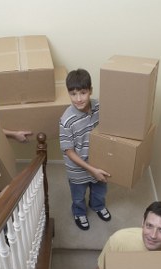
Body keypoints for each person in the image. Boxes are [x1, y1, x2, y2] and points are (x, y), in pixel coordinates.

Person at [59, 68, 112, 231]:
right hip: (78, 169)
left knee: (100, 190)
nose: (79, 98)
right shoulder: (66, 120)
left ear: (90, 91)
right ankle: (79, 212)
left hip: (98, 161)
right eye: (73, 94)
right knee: (78, 196)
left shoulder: (98, 106)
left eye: (83, 92)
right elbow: (69, 151)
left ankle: (97, 205)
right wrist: (91, 170)